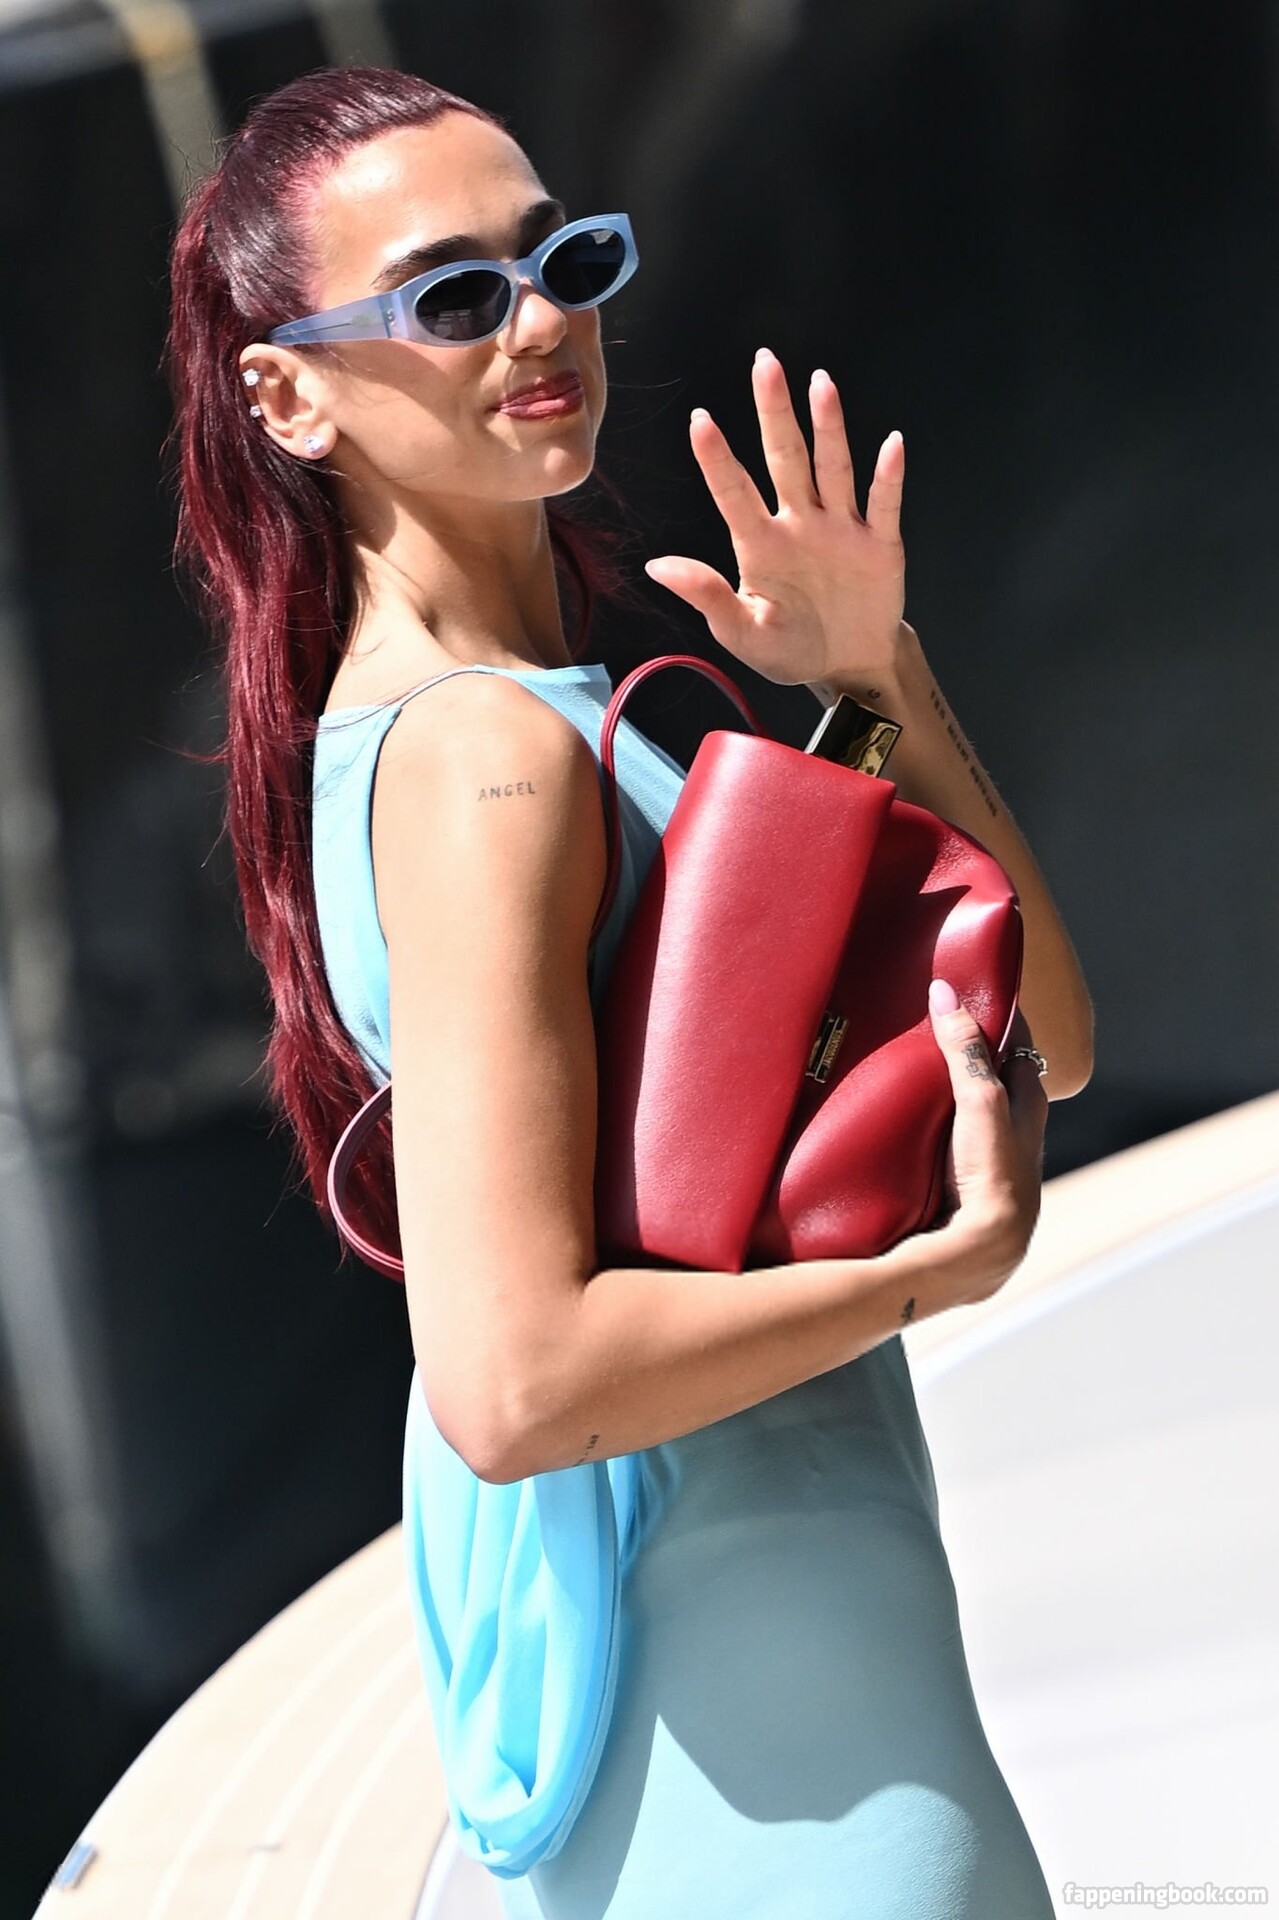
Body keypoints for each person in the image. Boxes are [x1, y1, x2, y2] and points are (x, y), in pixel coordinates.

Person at [164, 62, 1093, 1920]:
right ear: (287, 395)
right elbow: (514, 1384)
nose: (538, 322)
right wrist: (939, 1273)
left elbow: (1038, 1041)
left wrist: (878, 676)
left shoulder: (539, 730)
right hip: (772, 1729)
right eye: (451, 295)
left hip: (781, 1668)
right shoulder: (484, 764)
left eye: (561, 259)